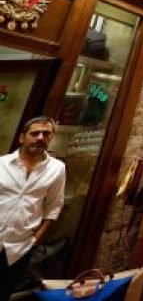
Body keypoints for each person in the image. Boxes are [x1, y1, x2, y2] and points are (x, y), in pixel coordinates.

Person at [0, 117, 65, 301]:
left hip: (20, 248)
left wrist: (35, 240)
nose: (40, 137)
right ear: (22, 138)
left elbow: (54, 207)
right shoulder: (2, 164)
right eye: (35, 133)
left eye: (46, 134)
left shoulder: (57, 169)